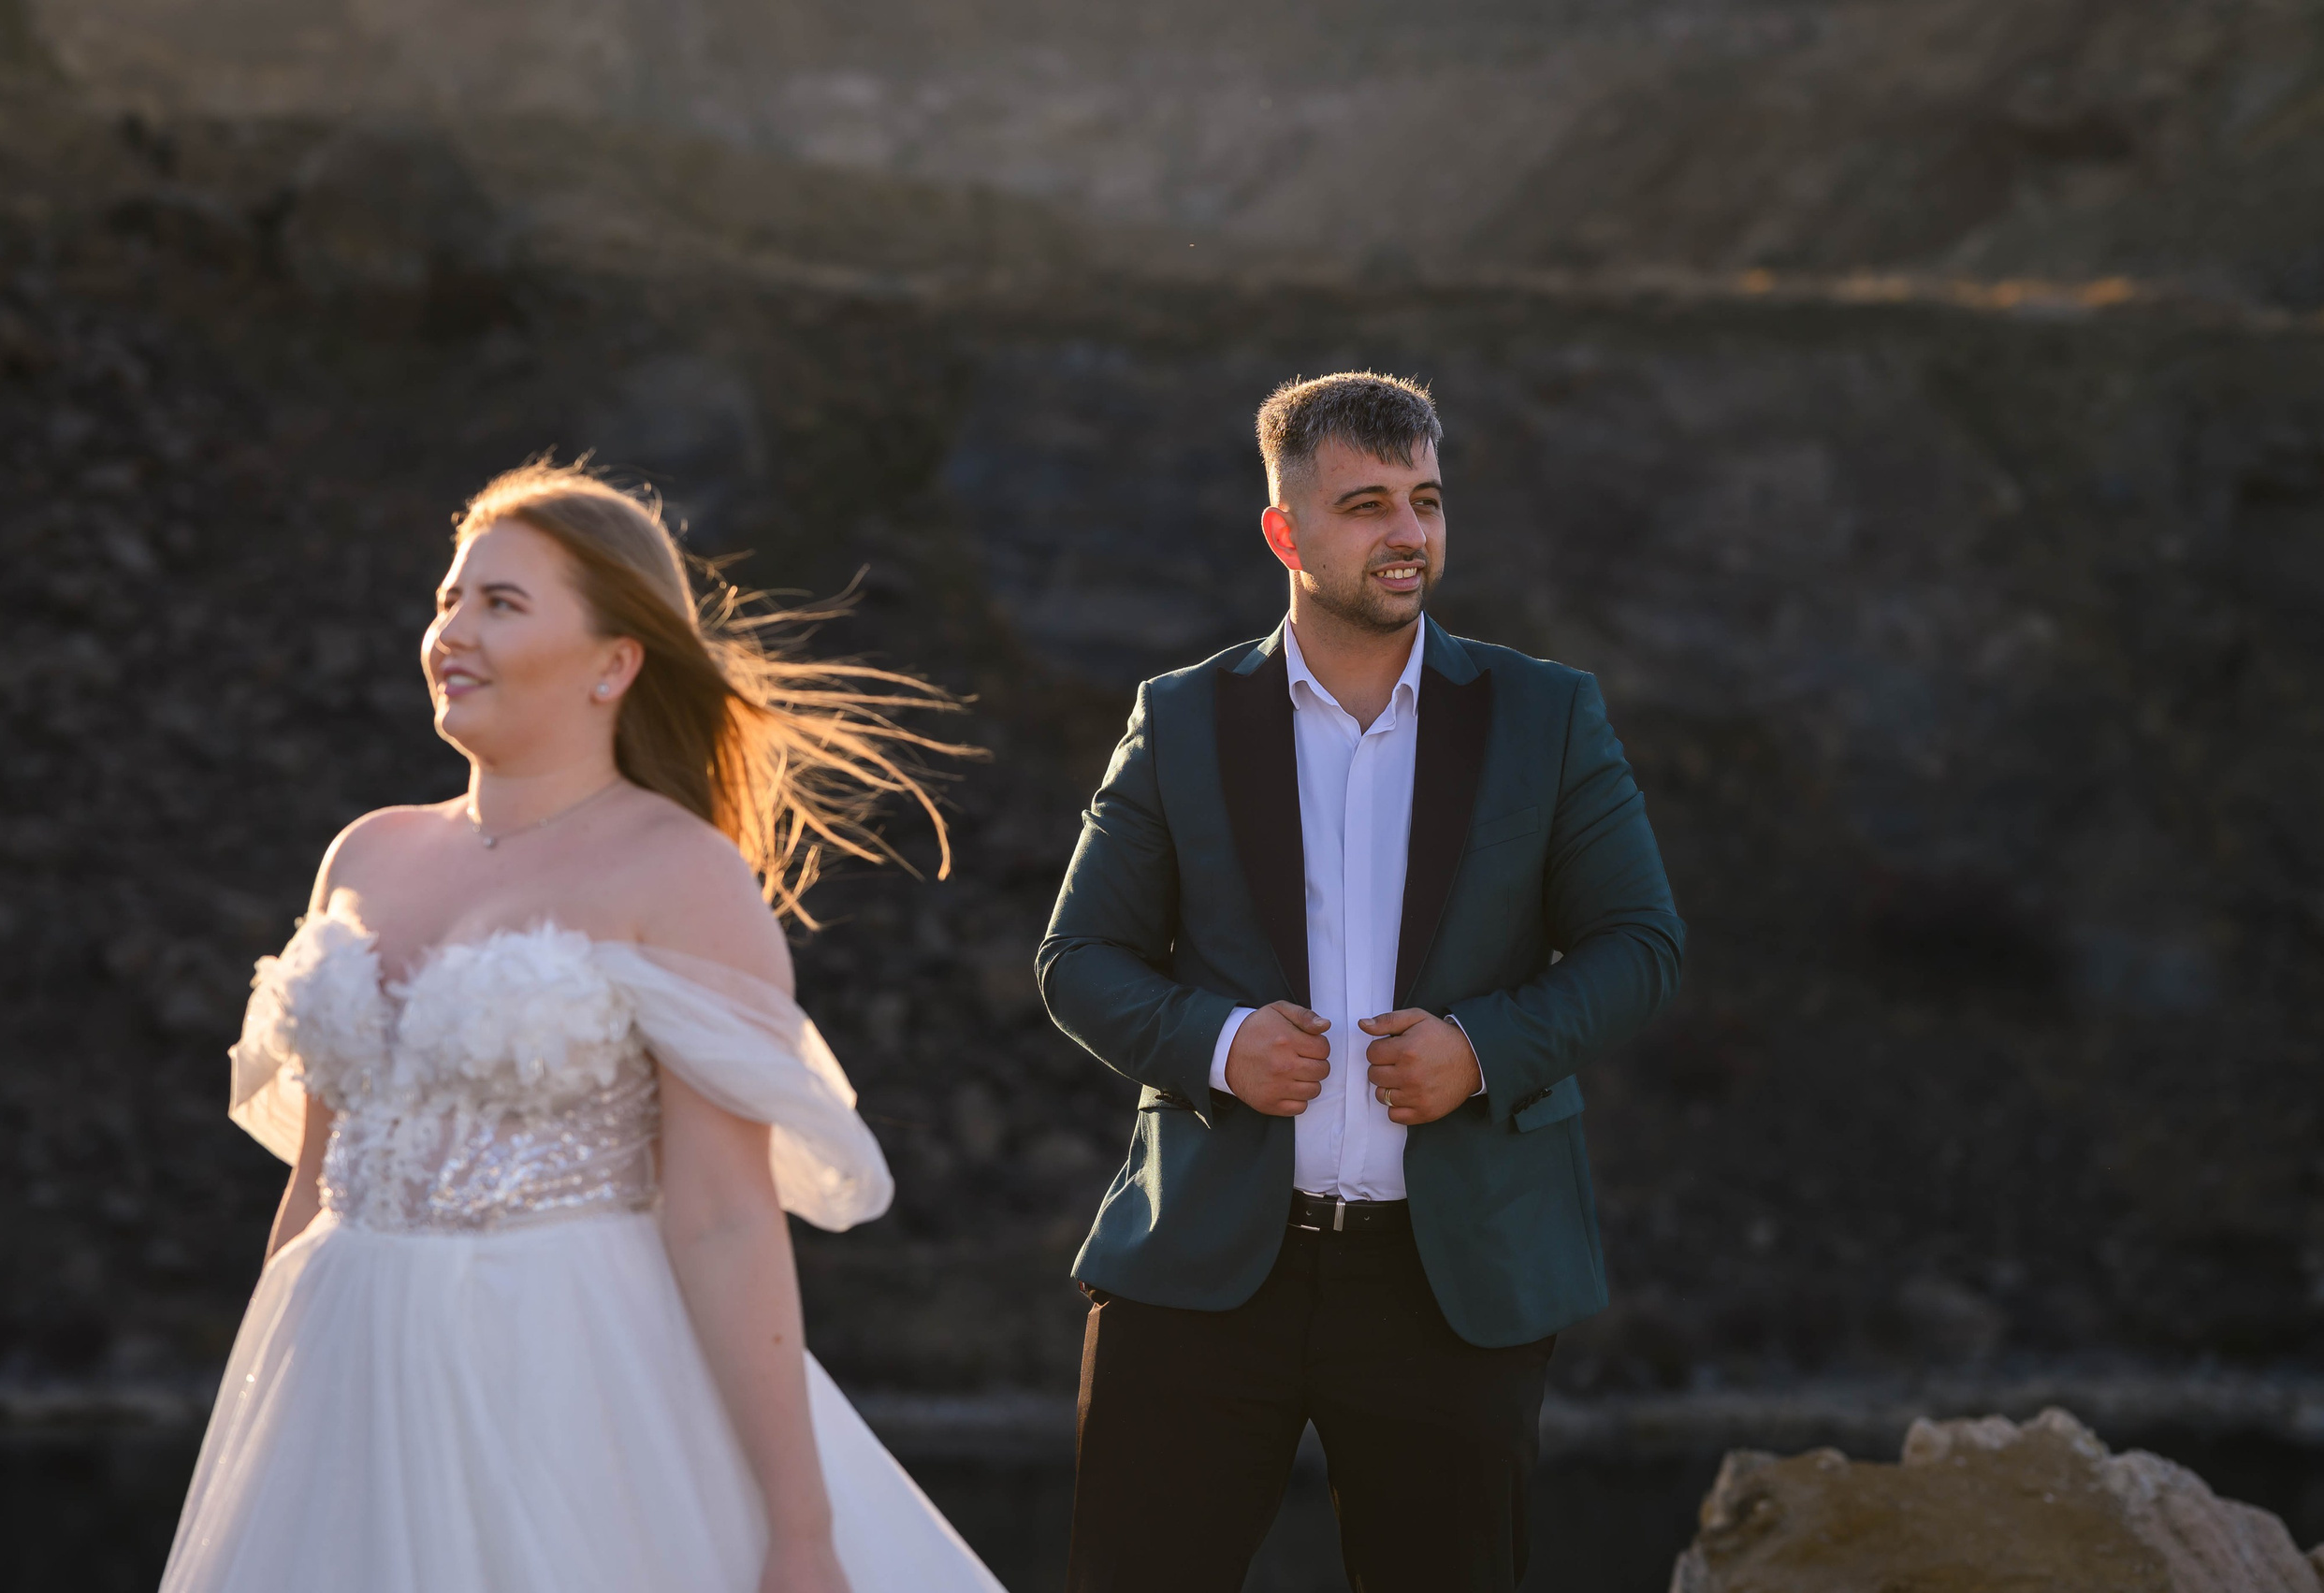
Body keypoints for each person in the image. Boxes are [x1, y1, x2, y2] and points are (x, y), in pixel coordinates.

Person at [162, 460, 1004, 1593]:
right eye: (449, 598)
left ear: (615, 661)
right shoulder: (364, 852)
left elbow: (721, 1217)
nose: (451, 631)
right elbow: (315, 1178)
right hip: (342, 1370)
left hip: (563, 1377)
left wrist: (800, 1530)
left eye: (500, 604)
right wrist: (253, 1426)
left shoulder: (680, 873)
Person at [1039, 372, 1686, 1591]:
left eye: (1427, 501)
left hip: (1453, 1283)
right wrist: (1224, 1042)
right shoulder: (1181, 719)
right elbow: (1078, 958)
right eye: (1367, 503)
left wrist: (1482, 1046)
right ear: (1286, 533)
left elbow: (1640, 943)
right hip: (1205, 1271)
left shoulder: (1545, 716)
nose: (1408, 532)